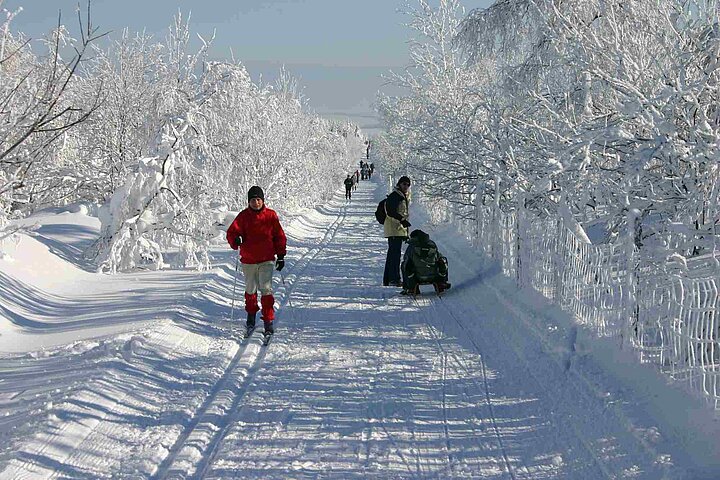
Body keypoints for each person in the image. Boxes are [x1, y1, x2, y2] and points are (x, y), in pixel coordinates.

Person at [226, 185, 287, 338]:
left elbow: (279, 236)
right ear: (249, 201)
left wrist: (280, 255)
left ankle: (268, 321)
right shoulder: (243, 216)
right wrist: (236, 240)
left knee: (266, 289)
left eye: (258, 199)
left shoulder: (270, 216)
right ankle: (251, 317)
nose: (256, 203)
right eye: (253, 200)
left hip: (266, 259)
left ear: (263, 200)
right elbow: (231, 233)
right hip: (249, 260)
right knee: (250, 289)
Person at [400, 229, 451, 295]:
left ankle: (411, 287)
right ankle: (441, 283)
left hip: (417, 277)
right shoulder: (432, 244)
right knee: (443, 260)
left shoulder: (411, 247)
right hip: (434, 276)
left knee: (404, 264)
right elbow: (439, 257)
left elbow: (406, 260)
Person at [383, 176, 412, 286]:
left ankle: (388, 279)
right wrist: (402, 220)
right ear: (399, 184)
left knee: (393, 254)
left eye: (408, 185)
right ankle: (394, 279)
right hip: (394, 228)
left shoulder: (402, 195)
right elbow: (390, 211)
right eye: (404, 184)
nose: (406, 186)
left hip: (397, 229)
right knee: (394, 254)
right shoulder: (395, 196)